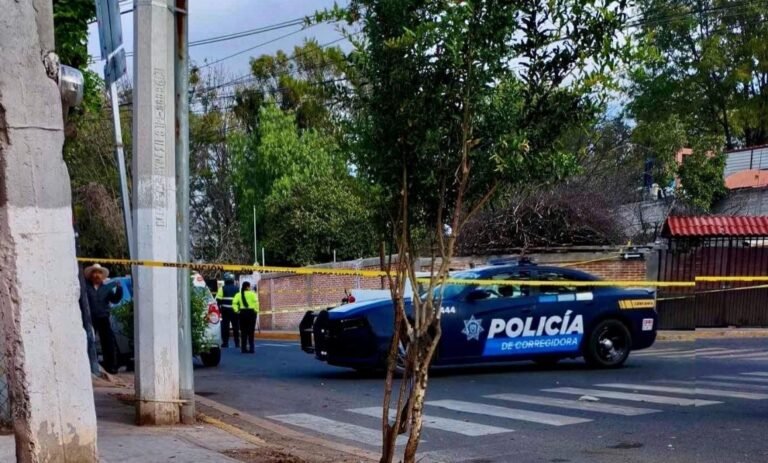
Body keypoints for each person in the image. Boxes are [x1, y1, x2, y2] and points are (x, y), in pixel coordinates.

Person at [84, 263, 123, 374]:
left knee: (108, 342)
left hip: (103, 317)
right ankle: (89, 366)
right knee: (88, 341)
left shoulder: (106, 288)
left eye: (99, 273)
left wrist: (119, 290)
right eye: (95, 272)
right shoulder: (86, 287)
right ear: (91, 275)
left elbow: (114, 300)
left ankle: (111, 366)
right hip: (90, 318)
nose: (97, 275)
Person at [232, 281, 259, 354]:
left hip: (242, 313)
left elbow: (234, 303)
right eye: (249, 286)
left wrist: (237, 311)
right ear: (247, 287)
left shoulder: (238, 294)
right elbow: (256, 303)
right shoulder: (253, 294)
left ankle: (243, 348)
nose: (250, 288)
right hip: (251, 313)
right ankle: (252, 348)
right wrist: (256, 311)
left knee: (243, 331)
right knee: (251, 331)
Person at [215, 273, 240, 348]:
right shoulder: (237, 289)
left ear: (225, 280)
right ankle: (237, 343)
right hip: (235, 311)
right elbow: (239, 300)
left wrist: (219, 309)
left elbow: (218, 300)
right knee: (236, 327)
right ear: (233, 280)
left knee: (225, 327)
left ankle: (225, 343)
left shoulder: (222, 288)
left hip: (225, 311)